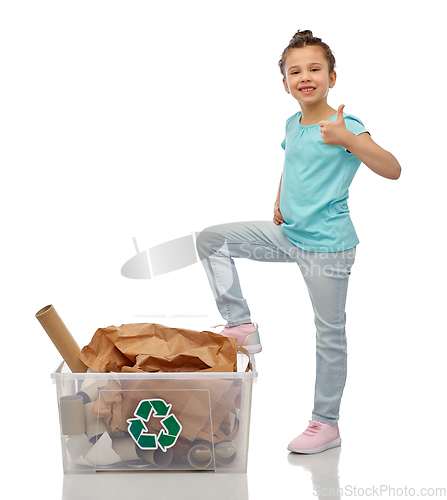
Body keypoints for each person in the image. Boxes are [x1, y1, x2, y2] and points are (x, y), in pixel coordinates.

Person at [195, 30, 401, 454]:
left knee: (329, 335)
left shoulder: (345, 126)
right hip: (288, 236)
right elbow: (291, 161)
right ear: (285, 82)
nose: (305, 76)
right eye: (295, 71)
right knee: (213, 241)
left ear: (332, 77)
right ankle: (240, 324)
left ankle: (326, 424)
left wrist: (347, 139)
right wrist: (278, 199)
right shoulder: (293, 123)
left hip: (327, 247)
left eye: (314, 69)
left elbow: (393, 168)